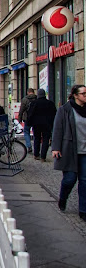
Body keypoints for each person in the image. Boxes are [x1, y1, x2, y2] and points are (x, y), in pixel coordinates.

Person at [52, 84, 86, 220]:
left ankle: (83, 210)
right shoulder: (65, 110)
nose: (85, 96)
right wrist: (55, 147)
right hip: (69, 150)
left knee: (84, 181)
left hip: (84, 152)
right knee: (70, 179)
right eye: (83, 93)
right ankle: (63, 198)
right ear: (76, 95)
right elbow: (58, 129)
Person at [27, 89, 56, 161]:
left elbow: (30, 114)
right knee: (46, 139)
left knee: (37, 138)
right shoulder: (50, 103)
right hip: (47, 124)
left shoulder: (34, 103)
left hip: (36, 124)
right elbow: (54, 114)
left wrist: (29, 123)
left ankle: (36, 154)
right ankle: (43, 156)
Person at [18, 88, 37, 152]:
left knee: (26, 132)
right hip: (35, 118)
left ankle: (29, 146)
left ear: (28, 92)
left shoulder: (25, 99)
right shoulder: (37, 98)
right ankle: (36, 147)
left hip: (27, 118)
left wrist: (19, 118)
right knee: (36, 133)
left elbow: (21, 110)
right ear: (33, 92)